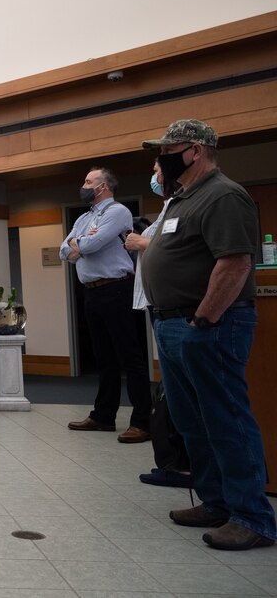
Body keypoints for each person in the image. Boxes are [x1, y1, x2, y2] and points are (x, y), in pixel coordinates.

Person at [141, 119, 275, 551]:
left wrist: (203, 319)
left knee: (226, 420)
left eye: (168, 148)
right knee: (192, 421)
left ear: (195, 150)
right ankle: (217, 502)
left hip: (209, 325)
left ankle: (252, 516)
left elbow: (235, 263)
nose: (161, 157)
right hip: (173, 324)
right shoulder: (182, 199)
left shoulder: (223, 195)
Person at [60, 166, 152, 443]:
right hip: (91, 292)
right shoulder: (85, 217)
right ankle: (103, 416)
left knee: (129, 356)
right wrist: (78, 244)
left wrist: (80, 244)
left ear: (104, 186)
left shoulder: (118, 212)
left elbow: (89, 246)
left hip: (116, 289)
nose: (84, 185)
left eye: (89, 181)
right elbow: (65, 250)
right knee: (104, 358)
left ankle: (142, 421)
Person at [125, 162, 191, 489]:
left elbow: (176, 247)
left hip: (179, 312)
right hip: (159, 308)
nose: (154, 175)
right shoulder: (169, 205)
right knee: (171, 393)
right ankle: (175, 464)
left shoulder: (188, 203)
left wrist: (140, 243)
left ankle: (185, 467)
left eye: (156, 169)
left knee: (185, 394)